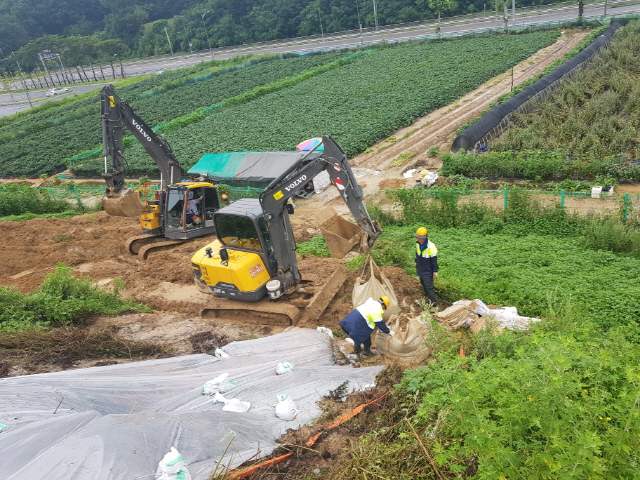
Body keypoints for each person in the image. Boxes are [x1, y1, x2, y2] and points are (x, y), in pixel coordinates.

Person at [414, 227, 438, 310]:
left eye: (420, 238)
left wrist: (435, 271)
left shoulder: (431, 246)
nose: (418, 239)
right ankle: (428, 297)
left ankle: (434, 305)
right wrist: (416, 262)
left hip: (428, 269)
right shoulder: (417, 244)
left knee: (429, 286)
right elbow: (417, 254)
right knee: (423, 283)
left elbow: (434, 260)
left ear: (424, 238)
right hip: (420, 268)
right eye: (418, 237)